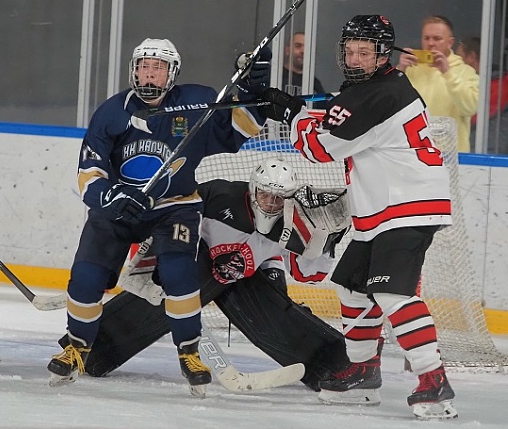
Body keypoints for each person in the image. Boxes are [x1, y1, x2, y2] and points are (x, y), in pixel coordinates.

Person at [257, 14, 458, 419]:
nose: (355, 59)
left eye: (364, 53)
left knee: (391, 293)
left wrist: (292, 116)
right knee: (352, 287)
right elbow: (337, 118)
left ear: (384, 55)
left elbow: (322, 148)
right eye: (350, 51)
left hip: (407, 206)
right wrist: (296, 110)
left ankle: (433, 380)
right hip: (381, 209)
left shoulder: (381, 95)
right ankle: (364, 371)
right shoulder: (372, 90)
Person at [46, 37, 271, 397]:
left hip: (174, 205)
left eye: (157, 67)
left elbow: (238, 130)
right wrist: (111, 195)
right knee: (86, 277)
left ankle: (189, 353)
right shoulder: (112, 112)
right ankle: (77, 347)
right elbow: (88, 172)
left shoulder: (198, 101)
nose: (148, 74)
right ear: (133, 69)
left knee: (180, 272)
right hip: (118, 207)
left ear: (172, 73)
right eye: (143, 66)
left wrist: (254, 82)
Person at [63, 158, 352, 392]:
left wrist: (328, 238)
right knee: (177, 289)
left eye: (278, 199)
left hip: (251, 272)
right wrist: (150, 263)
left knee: (272, 311)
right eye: (265, 195)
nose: (270, 204)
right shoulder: (219, 196)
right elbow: (169, 219)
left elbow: (306, 273)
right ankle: (92, 350)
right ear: (253, 188)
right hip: (197, 258)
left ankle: (332, 364)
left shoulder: (294, 220)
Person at [397, 15, 478, 153]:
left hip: (451, 157)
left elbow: (470, 108)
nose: (431, 43)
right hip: (412, 154)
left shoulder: (466, 72)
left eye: (437, 38)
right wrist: (399, 71)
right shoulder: (410, 69)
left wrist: (447, 73)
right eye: (426, 38)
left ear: (450, 43)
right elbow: (388, 108)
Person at [456, 36, 508, 154]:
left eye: (459, 58)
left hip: (491, 155)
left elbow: (471, 112)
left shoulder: (499, 84)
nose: (455, 63)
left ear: (471, 57)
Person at [283, 31, 325, 96]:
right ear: (287, 50)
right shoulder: (276, 76)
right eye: (298, 46)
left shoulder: (314, 84)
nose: (303, 51)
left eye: (307, 47)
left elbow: (323, 105)